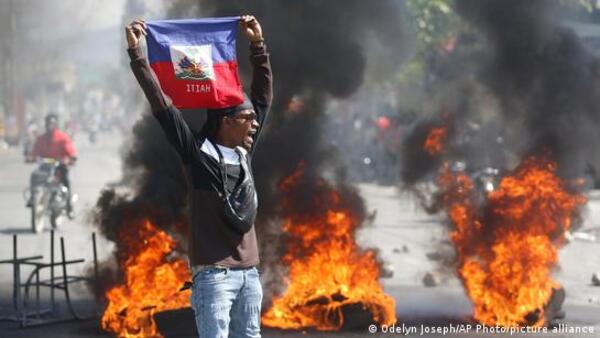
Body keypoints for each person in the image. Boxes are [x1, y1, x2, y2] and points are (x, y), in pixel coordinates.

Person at [125, 15, 272, 338]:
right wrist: (138, 54)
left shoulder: (244, 153)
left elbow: (263, 99)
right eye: (246, 118)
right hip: (214, 278)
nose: (254, 123)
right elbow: (162, 105)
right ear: (225, 121)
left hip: (249, 275)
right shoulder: (198, 154)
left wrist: (257, 45)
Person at [28, 113, 77, 218]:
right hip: (45, 166)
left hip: (59, 166)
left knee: (67, 181)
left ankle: (69, 207)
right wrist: (31, 158)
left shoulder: (63, 137)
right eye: (48, 123)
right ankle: (33, 198)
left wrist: (71, 158)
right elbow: (35, 152)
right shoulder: (41, 139)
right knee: (34, 176)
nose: (50, 125)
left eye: (52, 123)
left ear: (56, 124)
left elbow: (71, 151)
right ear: (45, 124)